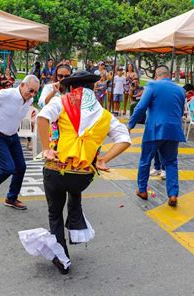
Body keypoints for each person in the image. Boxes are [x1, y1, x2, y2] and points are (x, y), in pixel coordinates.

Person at [35, 71, 131, 274]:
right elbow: (125, 138)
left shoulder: (61, 102)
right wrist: (104, 159)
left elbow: (42, 117)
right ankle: (76, 223)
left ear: (70, 88)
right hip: (83, 177)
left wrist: (46, 149)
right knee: (74, 188)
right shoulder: (104, 113)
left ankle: (62, 258)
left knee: (54, 213)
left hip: (56, 172)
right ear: (93, 89)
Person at [0, 75, 39, 210]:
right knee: (8, 168)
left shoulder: (29, 100)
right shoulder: (7, 94)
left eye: (35, 92)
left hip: (12, 136)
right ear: (22, 85)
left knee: (21, 167)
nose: (32, 94)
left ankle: (11, 198)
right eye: (30, 90)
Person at [128, 65, 185, 207]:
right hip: (174, 130)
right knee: (171, 162)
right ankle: (172, 194)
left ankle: (142, 190)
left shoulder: (152, 86)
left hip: (155, 130)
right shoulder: (180, 90)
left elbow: (141, 107)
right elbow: (181, 110)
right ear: (169, 75)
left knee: (145, 160)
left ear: (156, 75)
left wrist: (130, 124)